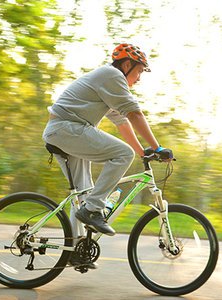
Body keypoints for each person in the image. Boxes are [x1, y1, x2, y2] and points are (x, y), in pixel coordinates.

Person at [43, 43, 171, 237]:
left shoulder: (107, 83)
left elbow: (123, 122)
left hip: (64, 131)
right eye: (139, 72)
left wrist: (143, 152)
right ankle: (93, 210)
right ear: (127, 65)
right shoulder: (112, 76)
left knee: (84, 194)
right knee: (123, 154)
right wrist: (158, 147)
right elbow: (135, 114)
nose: (139, 79)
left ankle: (74, 249)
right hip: (67, 129)